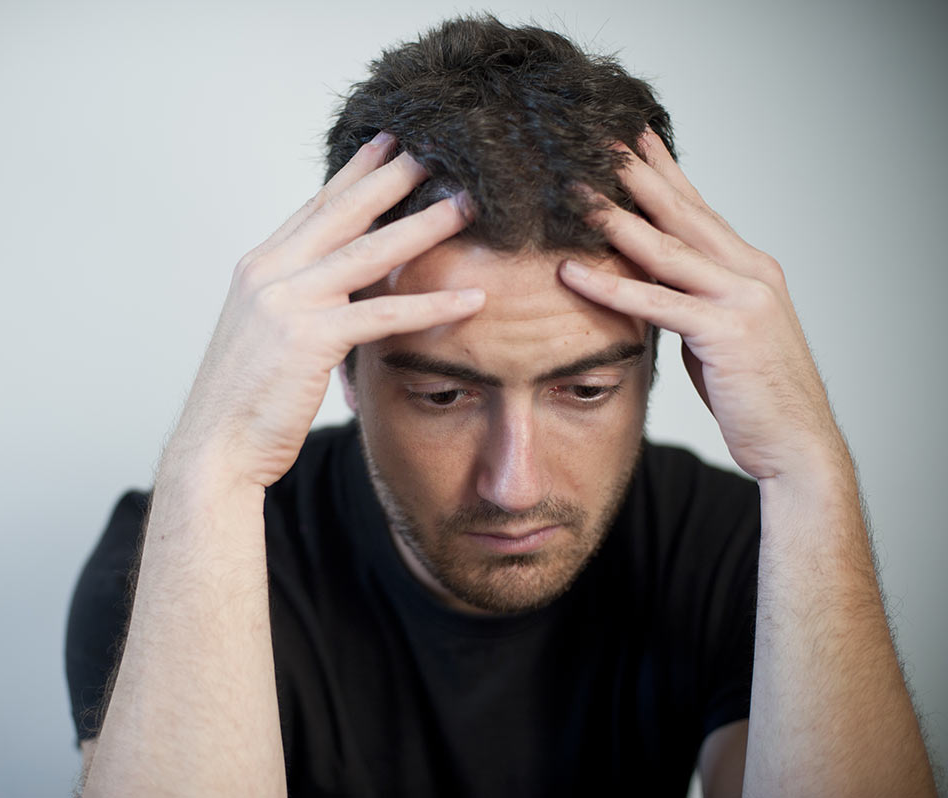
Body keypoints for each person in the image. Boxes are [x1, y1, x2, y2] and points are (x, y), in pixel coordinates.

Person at [66, 16, 935, 797]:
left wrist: (807, 470)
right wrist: (212, 463)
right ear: (340, 365)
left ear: (661, 361)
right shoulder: (182, 558)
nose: (514, 484)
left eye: (584, 390)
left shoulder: (725, 547)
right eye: (443, 395)